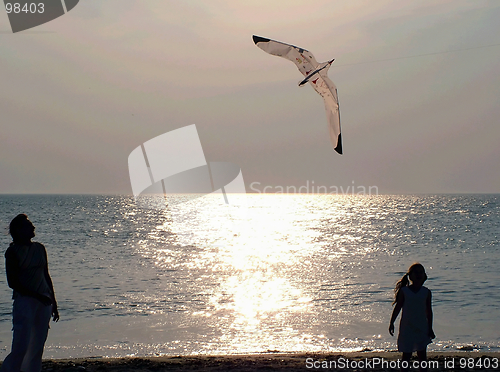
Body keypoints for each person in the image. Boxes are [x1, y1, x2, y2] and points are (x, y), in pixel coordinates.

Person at [0, 214, 59, 372]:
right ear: (19, 231)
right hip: (25, 301)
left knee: (37, 345)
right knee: (21, 343)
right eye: (28, 225)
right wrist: (36, 296)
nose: (33, 227)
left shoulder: (39, 248)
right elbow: (13, 283)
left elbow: (46, 275)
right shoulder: (13, 252)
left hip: (44, 300)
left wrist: (53, 302)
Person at [389, 263, 435, 372]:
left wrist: (430, 328)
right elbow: (398, 307)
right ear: (410, 276)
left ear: (424, 276)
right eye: (416, 273)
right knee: (406, 355)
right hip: (407, 327)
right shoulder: (405, 291)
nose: (419, 275)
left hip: (422, 327)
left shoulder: (426, 292)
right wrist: (391, 322)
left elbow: (429, 311)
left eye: (421, 273)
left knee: (422, 355)